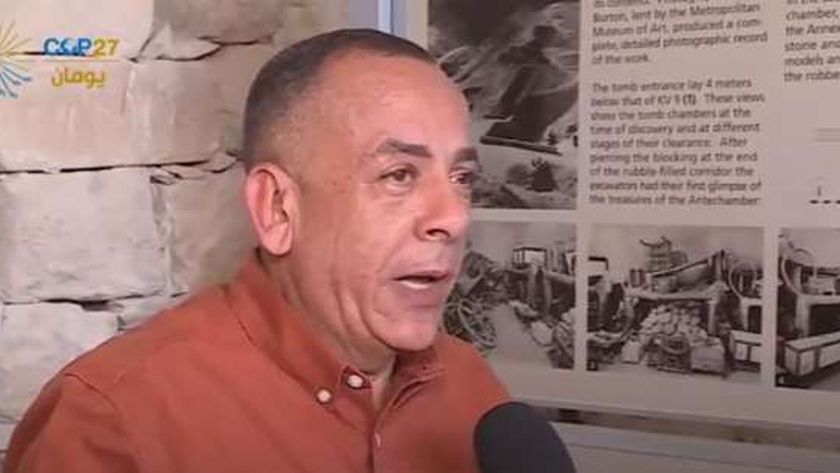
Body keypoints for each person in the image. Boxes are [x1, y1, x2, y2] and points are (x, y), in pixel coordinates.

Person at [4, 29, 509, 473]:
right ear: (278, 209)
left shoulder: (471, 390)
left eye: (462, 178)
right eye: (399, 175)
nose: (454, 217)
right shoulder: (111, 421)